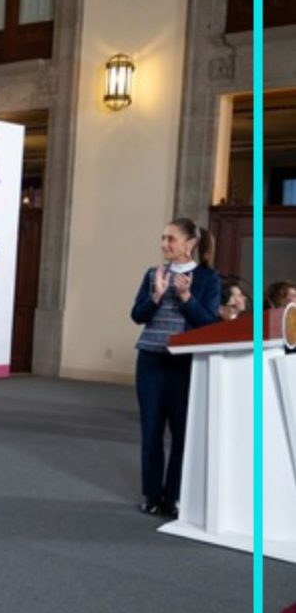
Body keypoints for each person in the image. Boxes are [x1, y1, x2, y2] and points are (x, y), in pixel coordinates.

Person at [130, 217, 221, 519]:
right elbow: (137, 315)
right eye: (163, 238)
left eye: (171, 238)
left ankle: (174, 497)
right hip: (150, 360)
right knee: (151, 432)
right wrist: (156, 296)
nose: (164, 244)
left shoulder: (208, 278)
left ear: (190, 243)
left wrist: (186, 298)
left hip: (184, 363)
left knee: (182, 434)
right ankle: (151, 495)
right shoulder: (152, 274)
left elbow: (209, 322)